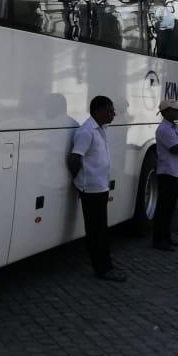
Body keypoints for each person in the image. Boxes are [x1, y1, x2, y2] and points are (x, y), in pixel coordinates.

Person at [67, 95, 127, 282]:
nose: (113, 114)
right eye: (109, 110)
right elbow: (74, 158)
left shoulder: (100, 129)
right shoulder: (87, 131)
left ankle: (105, 265)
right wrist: (81, 182)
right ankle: (103, 269)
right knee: (97, 231)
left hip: (100, 188)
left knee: (101, 229)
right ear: (98, 111)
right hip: (91, 190)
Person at [152, 98, 178, 251]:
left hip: (175, 172)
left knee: (170, 209)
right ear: (166, 112)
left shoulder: (175, 128)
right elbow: (177, 149)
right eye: (175, 110)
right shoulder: (164, 129)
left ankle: (166, 238)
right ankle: (159, 240)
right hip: (167, 173)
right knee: (163, 209)